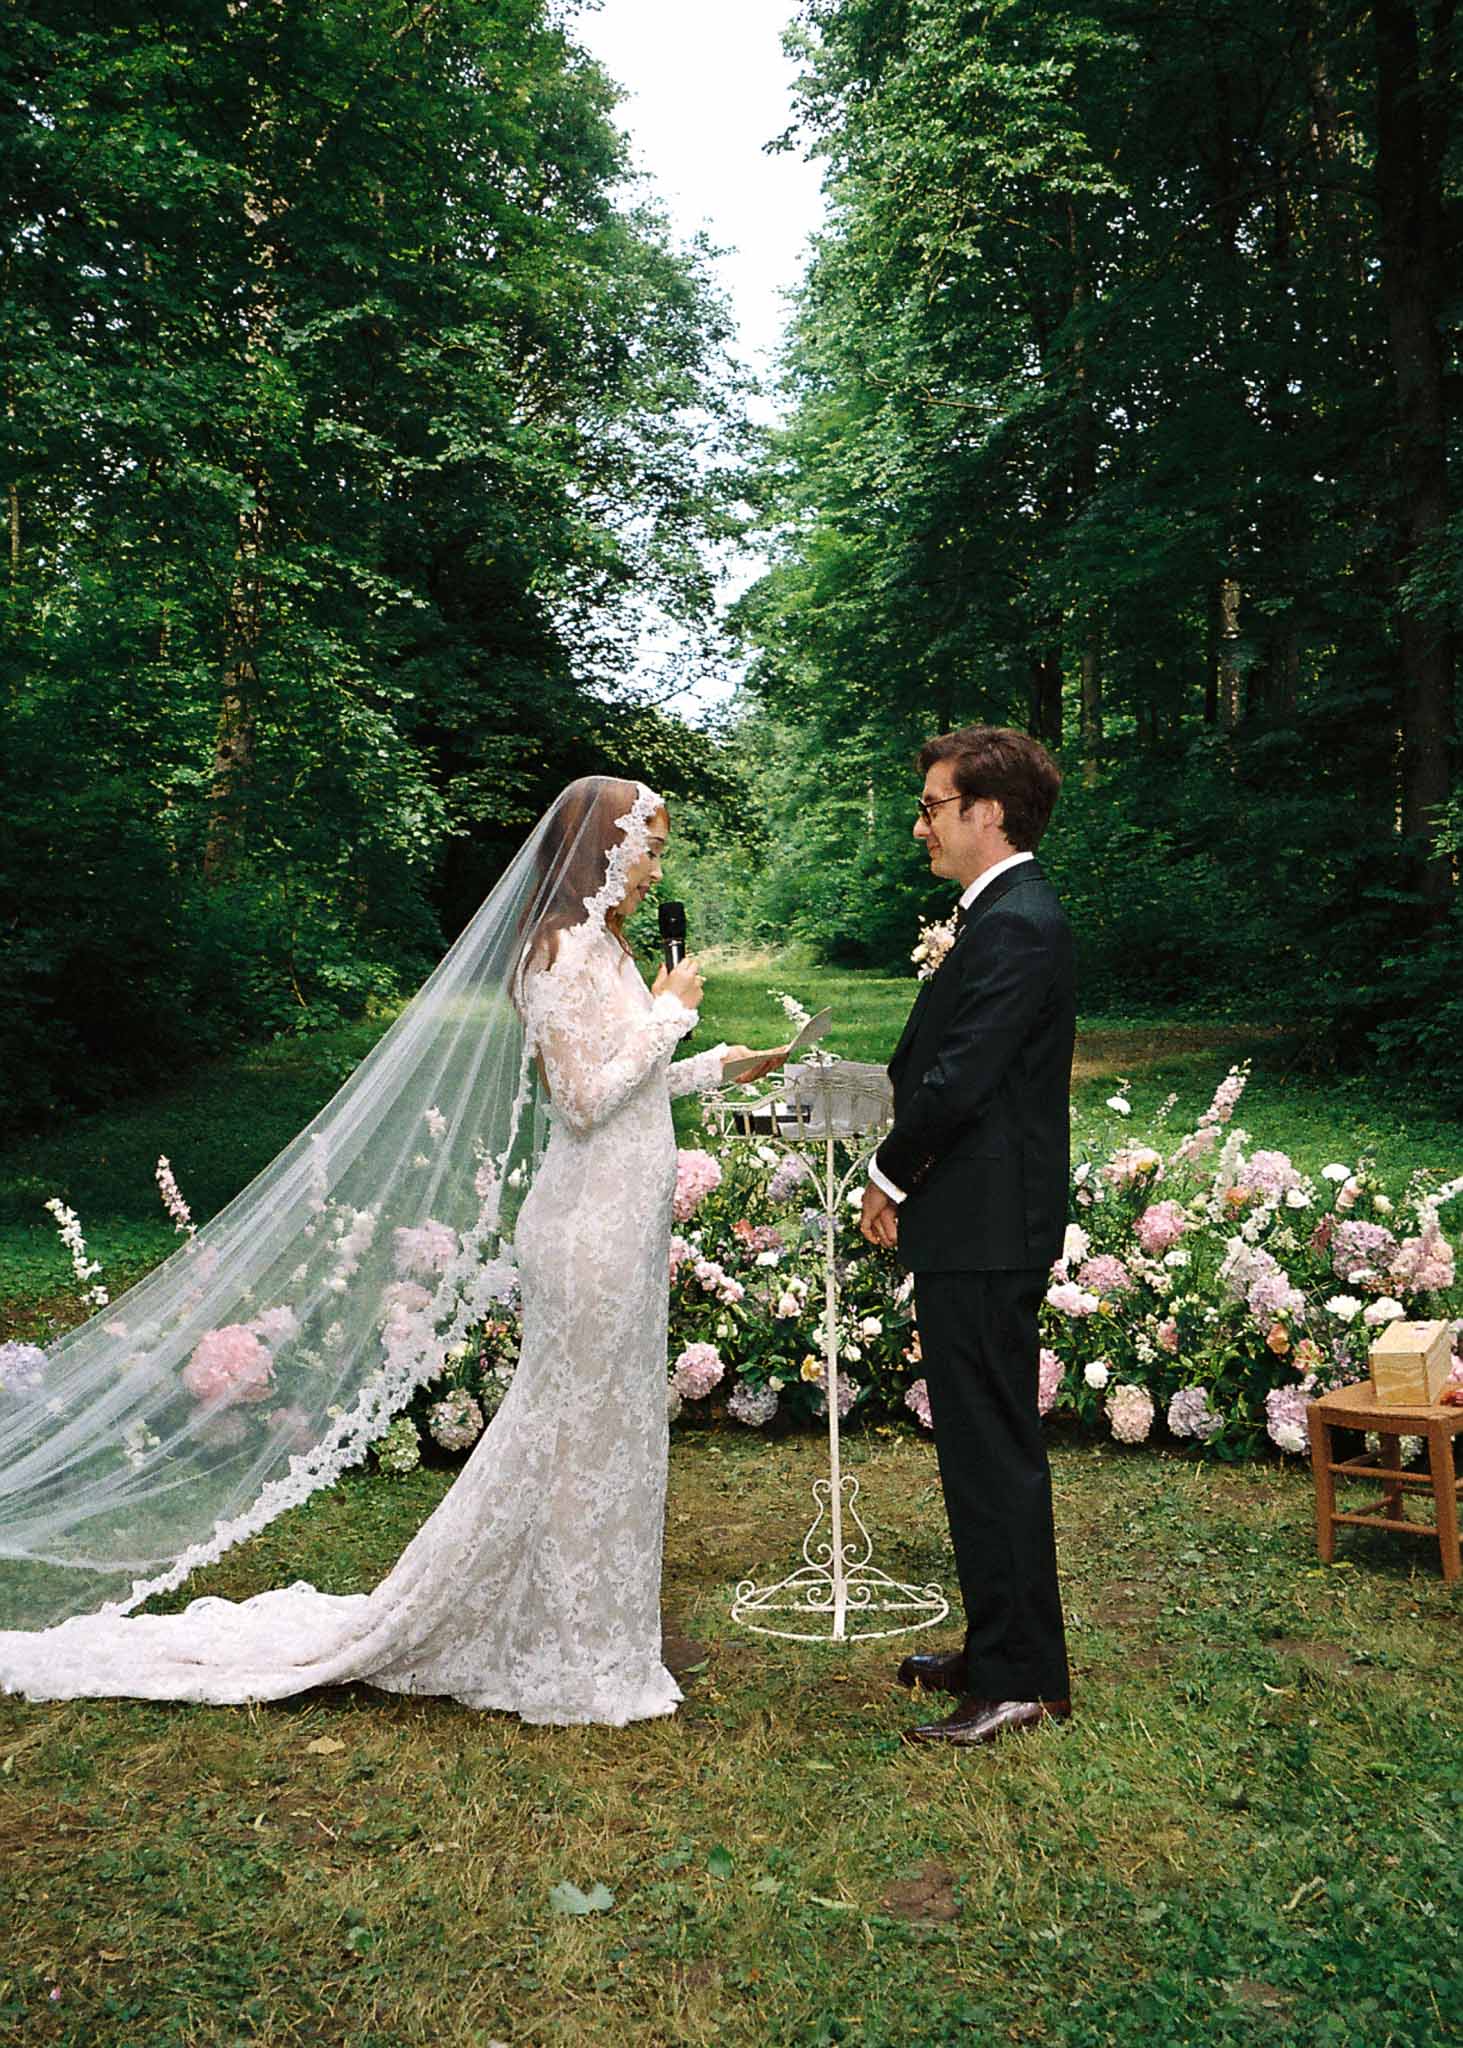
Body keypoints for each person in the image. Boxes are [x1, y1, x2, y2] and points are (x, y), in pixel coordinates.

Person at [0, 776, 784, 1725]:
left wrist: (709, 1064)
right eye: (648, 849)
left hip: (621, 1216)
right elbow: (581, 1101)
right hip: (587, 1229)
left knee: (603, 1430)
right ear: (603, 854)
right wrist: (671, 1015)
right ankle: (567, 1647)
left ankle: (586, 1630)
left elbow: (629, 1084)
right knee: (576, 1433)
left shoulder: (605, 954)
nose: (657, 869)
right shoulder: (560, 956)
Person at [860, 726, 1074, 1749]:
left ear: (988, 811)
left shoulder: (1017, 922)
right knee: (980, 1444)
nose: (922, 825)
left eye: (934, 805)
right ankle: (1000, 1650)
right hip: (974, 1215)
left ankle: (1020, 1675)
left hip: (986, 1220)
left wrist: (888, 1171)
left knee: (991, 1449)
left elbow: (960, 1076)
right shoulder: (996, 915)